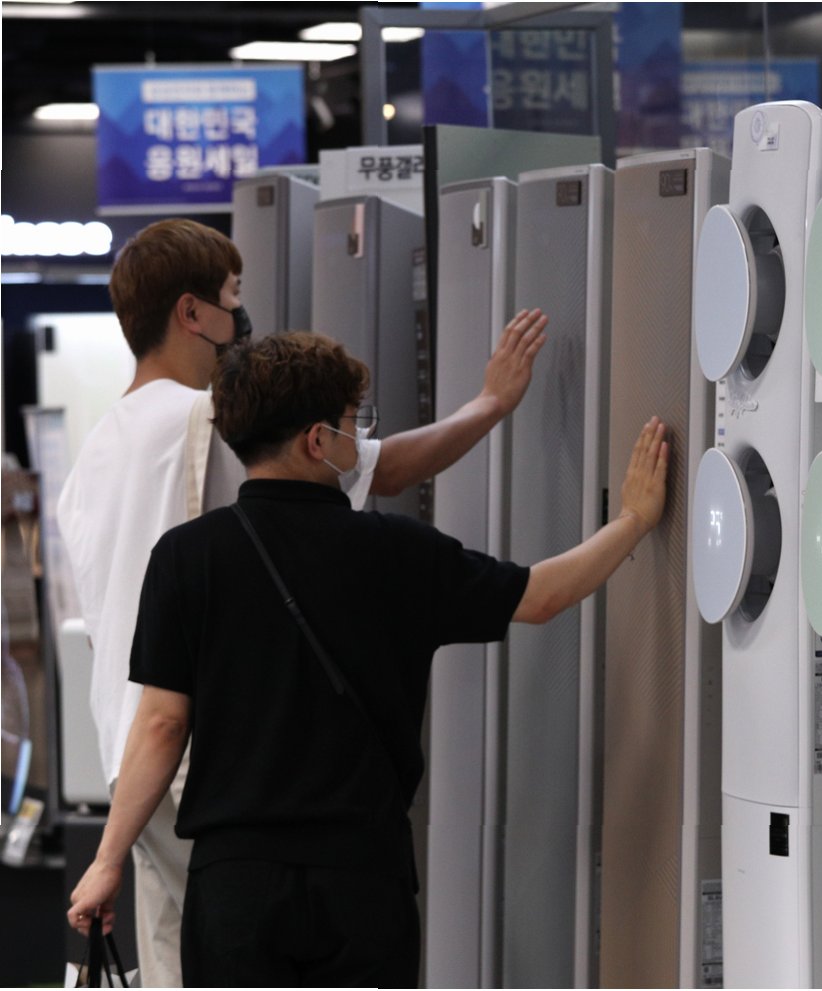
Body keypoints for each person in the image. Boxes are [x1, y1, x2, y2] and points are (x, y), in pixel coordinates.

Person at [66, 331, 669, 986]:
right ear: (316, 441)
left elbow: (160, 724)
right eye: (354, 421)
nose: (360, 435)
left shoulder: (185, 556)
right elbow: (541, 595)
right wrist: (633, 519)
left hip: (235, 885)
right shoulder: (396, 550)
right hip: (361, 880)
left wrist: (107, 860)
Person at [55, 218, 548, 986]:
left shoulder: (90, 456)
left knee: (175, 966)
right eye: (232, 297)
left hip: (132, 760)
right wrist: (490, 403)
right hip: (209, 768)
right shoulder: (204, 420)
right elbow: (378, 469)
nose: (239, 316)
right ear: (191, 312)